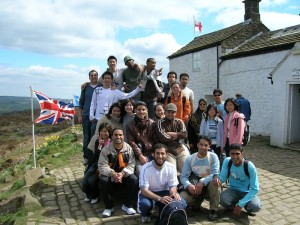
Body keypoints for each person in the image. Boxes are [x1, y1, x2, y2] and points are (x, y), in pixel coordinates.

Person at [138, 143, 187, 223]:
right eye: (157, 153)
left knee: (182, 203)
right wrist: (159, 199)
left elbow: (172, 185)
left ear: (166, 155)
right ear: (153, 154)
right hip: (149, 193)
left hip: (165, 192)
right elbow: (144, 190)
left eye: (162, 153)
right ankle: (146, 214)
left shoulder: (171, 167)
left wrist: (174, 194)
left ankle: (163, 211)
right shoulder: (145, 168)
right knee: (145, 205)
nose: (160, 156)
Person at [98, 128, 138, 217]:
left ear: (123, 136)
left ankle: (127, 205)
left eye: (120, 135)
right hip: (111, 174)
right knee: (103, 180)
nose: (118, 137)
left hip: (124, 174)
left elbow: (131, 165)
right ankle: (108, 207)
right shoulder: (106, 149)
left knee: (134, 179)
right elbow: (102, 165)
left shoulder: (128, 148)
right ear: (112, 136)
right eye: (116, 135)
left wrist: (122, 174)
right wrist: (113, 174)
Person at [213, 144, 262, 216]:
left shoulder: (249, 166)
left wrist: (240, 205)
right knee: (221, 199)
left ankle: (245, 206)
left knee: (256, 206)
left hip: (246, 192)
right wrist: (215, 178)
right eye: (232, 154)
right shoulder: (227, 161)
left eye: (237, 154)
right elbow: (222, 178)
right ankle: (232, 206)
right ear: (229, 154)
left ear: (242, 154)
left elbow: (255, 189)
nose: (235, 156)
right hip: (233, 190)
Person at [180, 135, 220, 221]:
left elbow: (215, 173)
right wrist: (188, 185)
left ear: (209, 146)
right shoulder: (190, 159)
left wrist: (202, 181)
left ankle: (213, 210)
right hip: (194, 186)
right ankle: (196, 202)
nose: (203, 147)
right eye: (201, 144)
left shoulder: (213, 157)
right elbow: (183, 177)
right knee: (181, 197)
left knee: (215, 181)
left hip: (208, 185)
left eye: (206, 145)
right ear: (197, 144)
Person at [89, 71, 142, 135]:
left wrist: (138, 89)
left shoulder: (116, 92)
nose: (107, 80)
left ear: (112, 80)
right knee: (96, 139)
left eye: (109, 78)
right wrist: (91, 116)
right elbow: (93, 104)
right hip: (97, 120)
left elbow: (128, 95)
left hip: (111, 120)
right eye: (105, 78)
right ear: (102, 79)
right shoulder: (97, 90)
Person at [152, 103, 189, 174]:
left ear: (176, 113)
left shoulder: (179, 121)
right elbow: (163, 138)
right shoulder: (160, 123)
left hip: (180, 150)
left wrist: (170, 133)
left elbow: (185, 134)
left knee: (186, 171)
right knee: (172, 172)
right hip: (168, 151)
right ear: (165, 112)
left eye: (173, 112)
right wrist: (178, 135)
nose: (170, 114)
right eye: (168, 112)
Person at [82, 123, 111, 204]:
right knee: (85, 180)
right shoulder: (98, 141)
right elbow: (95, 157)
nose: (103, 133)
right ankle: (88, 195)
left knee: (92, 180)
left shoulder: (111, 142)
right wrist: (99, 146)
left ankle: (95, 196)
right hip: (96, 164)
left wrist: (101, 168)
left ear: (109, 132)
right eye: (101, 131)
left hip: (106, 165)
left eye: (105, 131)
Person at [78, 70, 102, 165]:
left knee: (95, 137)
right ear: (89, 77)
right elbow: (81, 102)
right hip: (86, 115)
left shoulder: (101, 86)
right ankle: (86, 157)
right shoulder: (85, 87)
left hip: (97, 116)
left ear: (97, 76)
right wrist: (79, 115)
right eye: (91, 75)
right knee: (86, 137)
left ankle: (94, 156)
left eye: (95, 75)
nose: (93, 77)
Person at [126, 102, 154, 175]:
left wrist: (155, 152)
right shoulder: (130, 125)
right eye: (139, 109)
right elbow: (131, 142)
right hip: (138, 154)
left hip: (152, 153)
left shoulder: (152, 123)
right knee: (141, 172)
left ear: (147, 110)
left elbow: (155, 140)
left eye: (143, 109)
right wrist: (140, 155)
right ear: (135, 110)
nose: (141, 112)